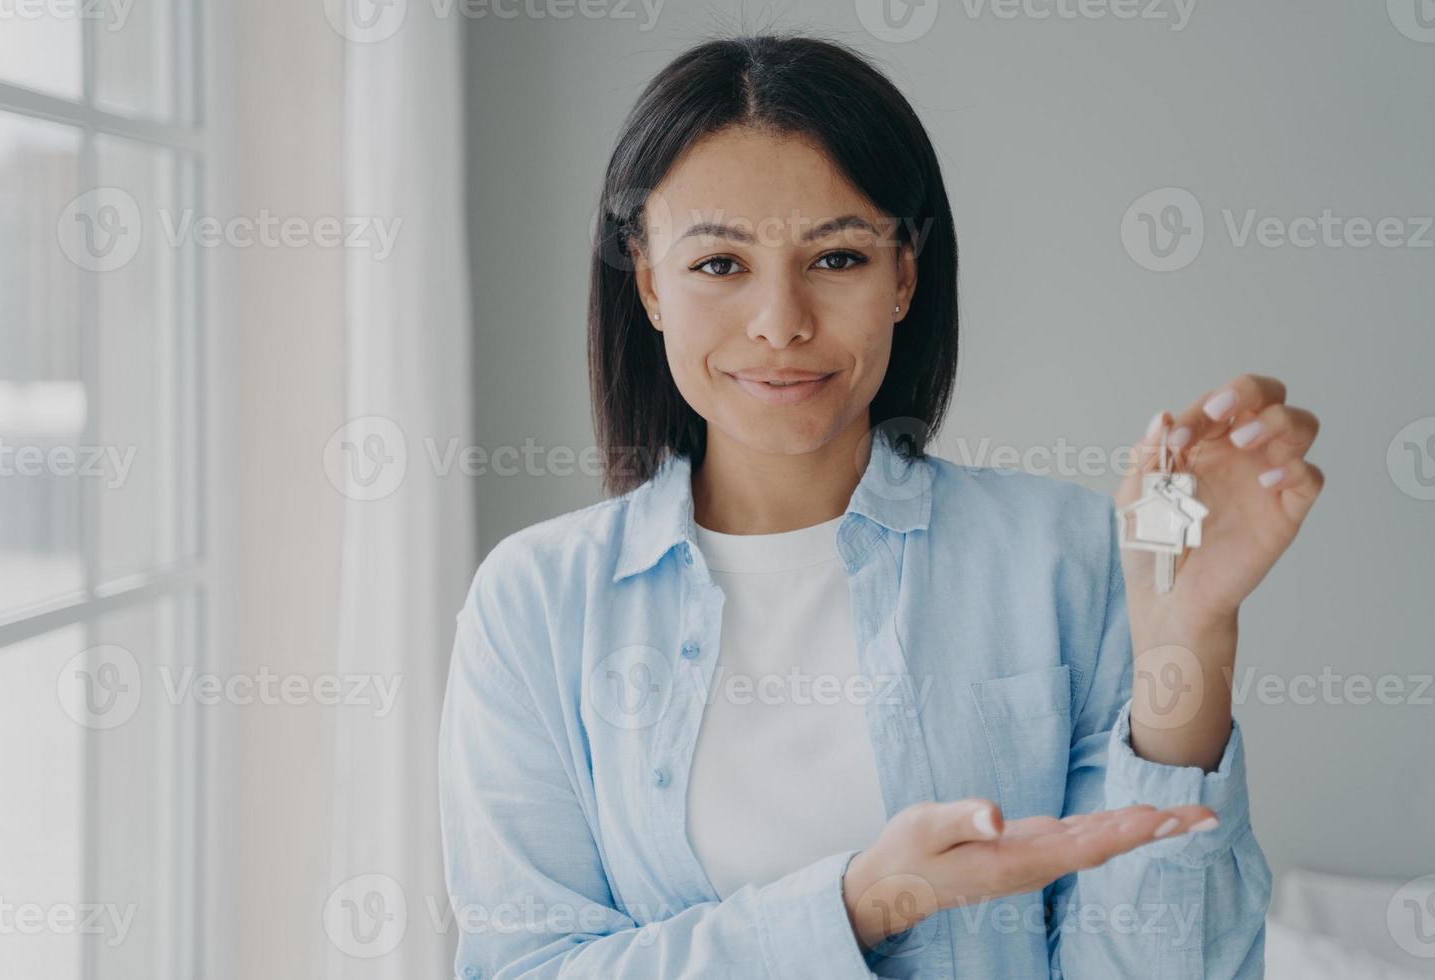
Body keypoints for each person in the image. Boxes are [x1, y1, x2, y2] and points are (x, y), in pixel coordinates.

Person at [439, 32, 1322, 978]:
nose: (781, 322)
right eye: (719, 265)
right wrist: (854, 907)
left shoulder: (1070, 554)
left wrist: (1188, 639)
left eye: (837, 259)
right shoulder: (536, 603)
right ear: (649, 282)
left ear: (903, 276)